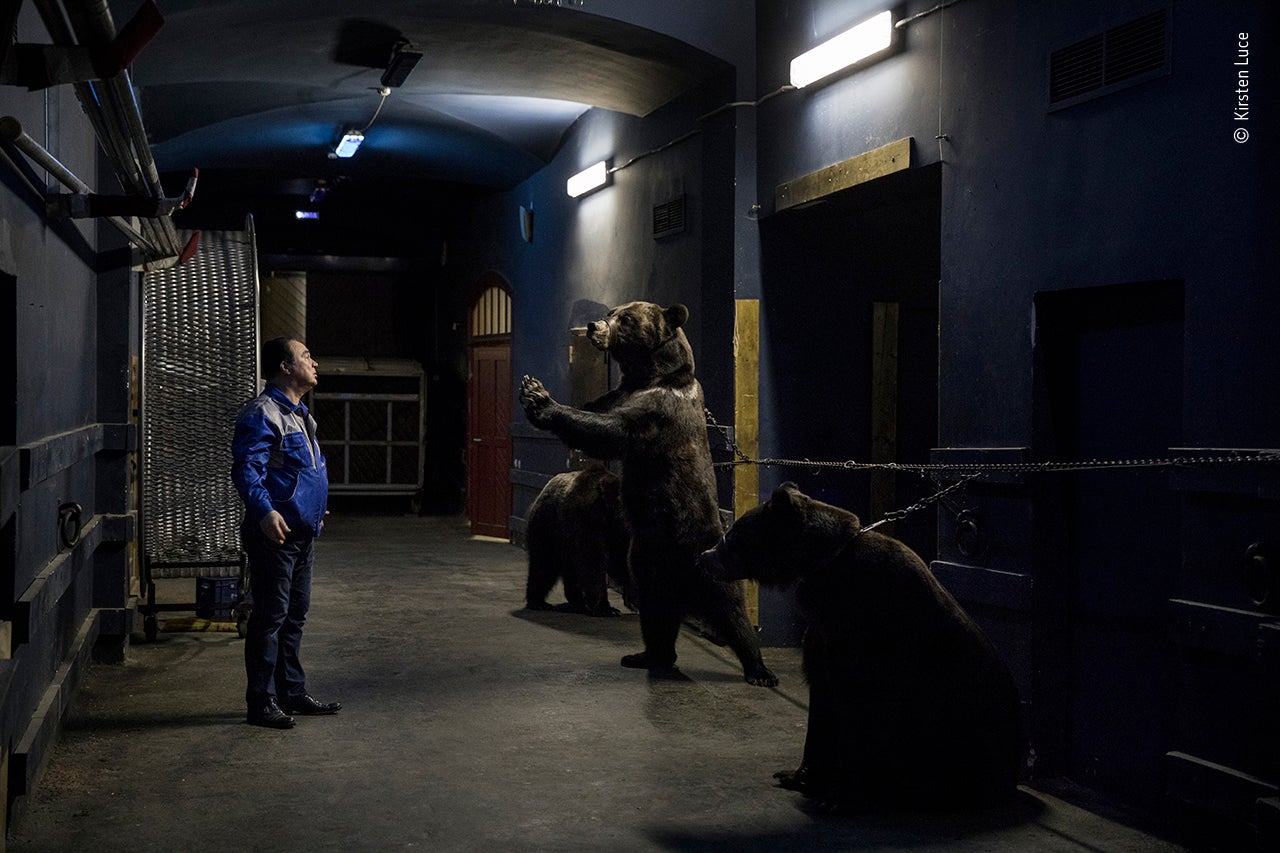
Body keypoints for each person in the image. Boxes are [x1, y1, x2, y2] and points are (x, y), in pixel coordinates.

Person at [232, 337, 341, 729]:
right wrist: (264, 513)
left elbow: (302, 471)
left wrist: (312, 509)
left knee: (294, 616)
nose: (314, 361)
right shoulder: (263, 413)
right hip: (274, 536)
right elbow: (247, 470)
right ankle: (260, 702)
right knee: (270, 618)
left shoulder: (300, 415)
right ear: (284, 366)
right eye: (305, 356)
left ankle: (291, 692)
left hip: (301, 534)